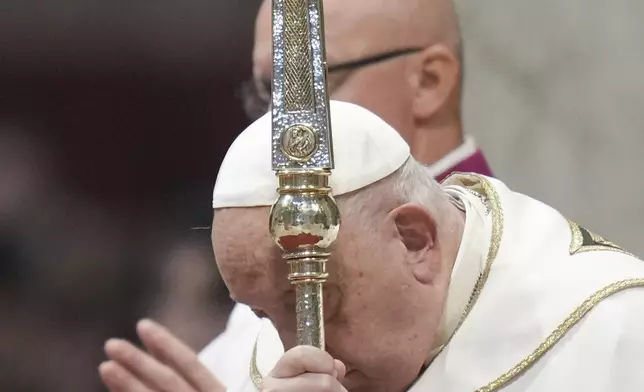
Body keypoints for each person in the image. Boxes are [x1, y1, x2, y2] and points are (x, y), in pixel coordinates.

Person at [100, 100, 644, 392]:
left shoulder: (618, 338)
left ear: (415, 240)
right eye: (265, 315)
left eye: (313, 303)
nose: (298, 353)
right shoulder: (248, 351)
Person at [202, 0, 494, 373]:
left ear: (429, 81)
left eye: (308, 80)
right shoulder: (262, 305)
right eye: (266, 91)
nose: (282, 120)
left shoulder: (536, 282)